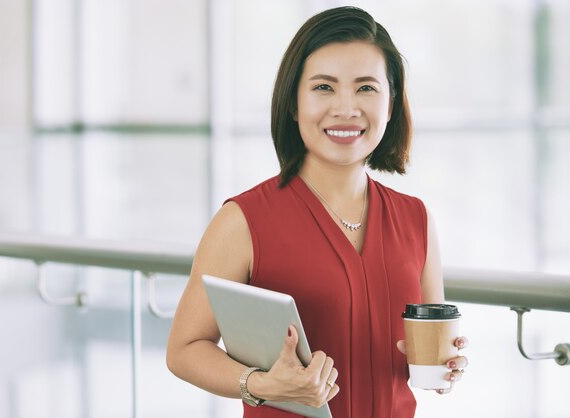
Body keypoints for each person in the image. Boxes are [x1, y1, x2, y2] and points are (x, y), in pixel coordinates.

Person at [166, 6, 469, 418]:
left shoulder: (416, 219)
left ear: (391, 103)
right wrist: (261, 384)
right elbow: (184, 351)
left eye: (366, 88)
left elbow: (425, 348)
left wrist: (445, 367)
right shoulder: (242, 221)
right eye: (324, 88)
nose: (346, 108)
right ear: (293, 103)